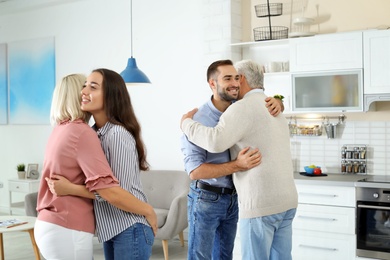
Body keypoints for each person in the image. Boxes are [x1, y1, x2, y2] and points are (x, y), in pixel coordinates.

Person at [181, 59, 298, 260]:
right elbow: (195, 170)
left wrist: (185, 123)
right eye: (228, 78)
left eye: (236, 77)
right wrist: (188, 123)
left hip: (245, 200)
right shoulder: (201, 118)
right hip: (210, 198)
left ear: (242, 79)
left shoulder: (247, 107)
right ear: (213, 83)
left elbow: (216, 140)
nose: (234, 82)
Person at [35, 74, 157, 260]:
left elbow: (116, 191)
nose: (84, 92)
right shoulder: (92, 133)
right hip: (110, 227)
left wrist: (149, 210)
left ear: (110, 95)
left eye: (93, 87)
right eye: (84, 87)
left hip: (129, 225)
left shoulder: (116, 134)